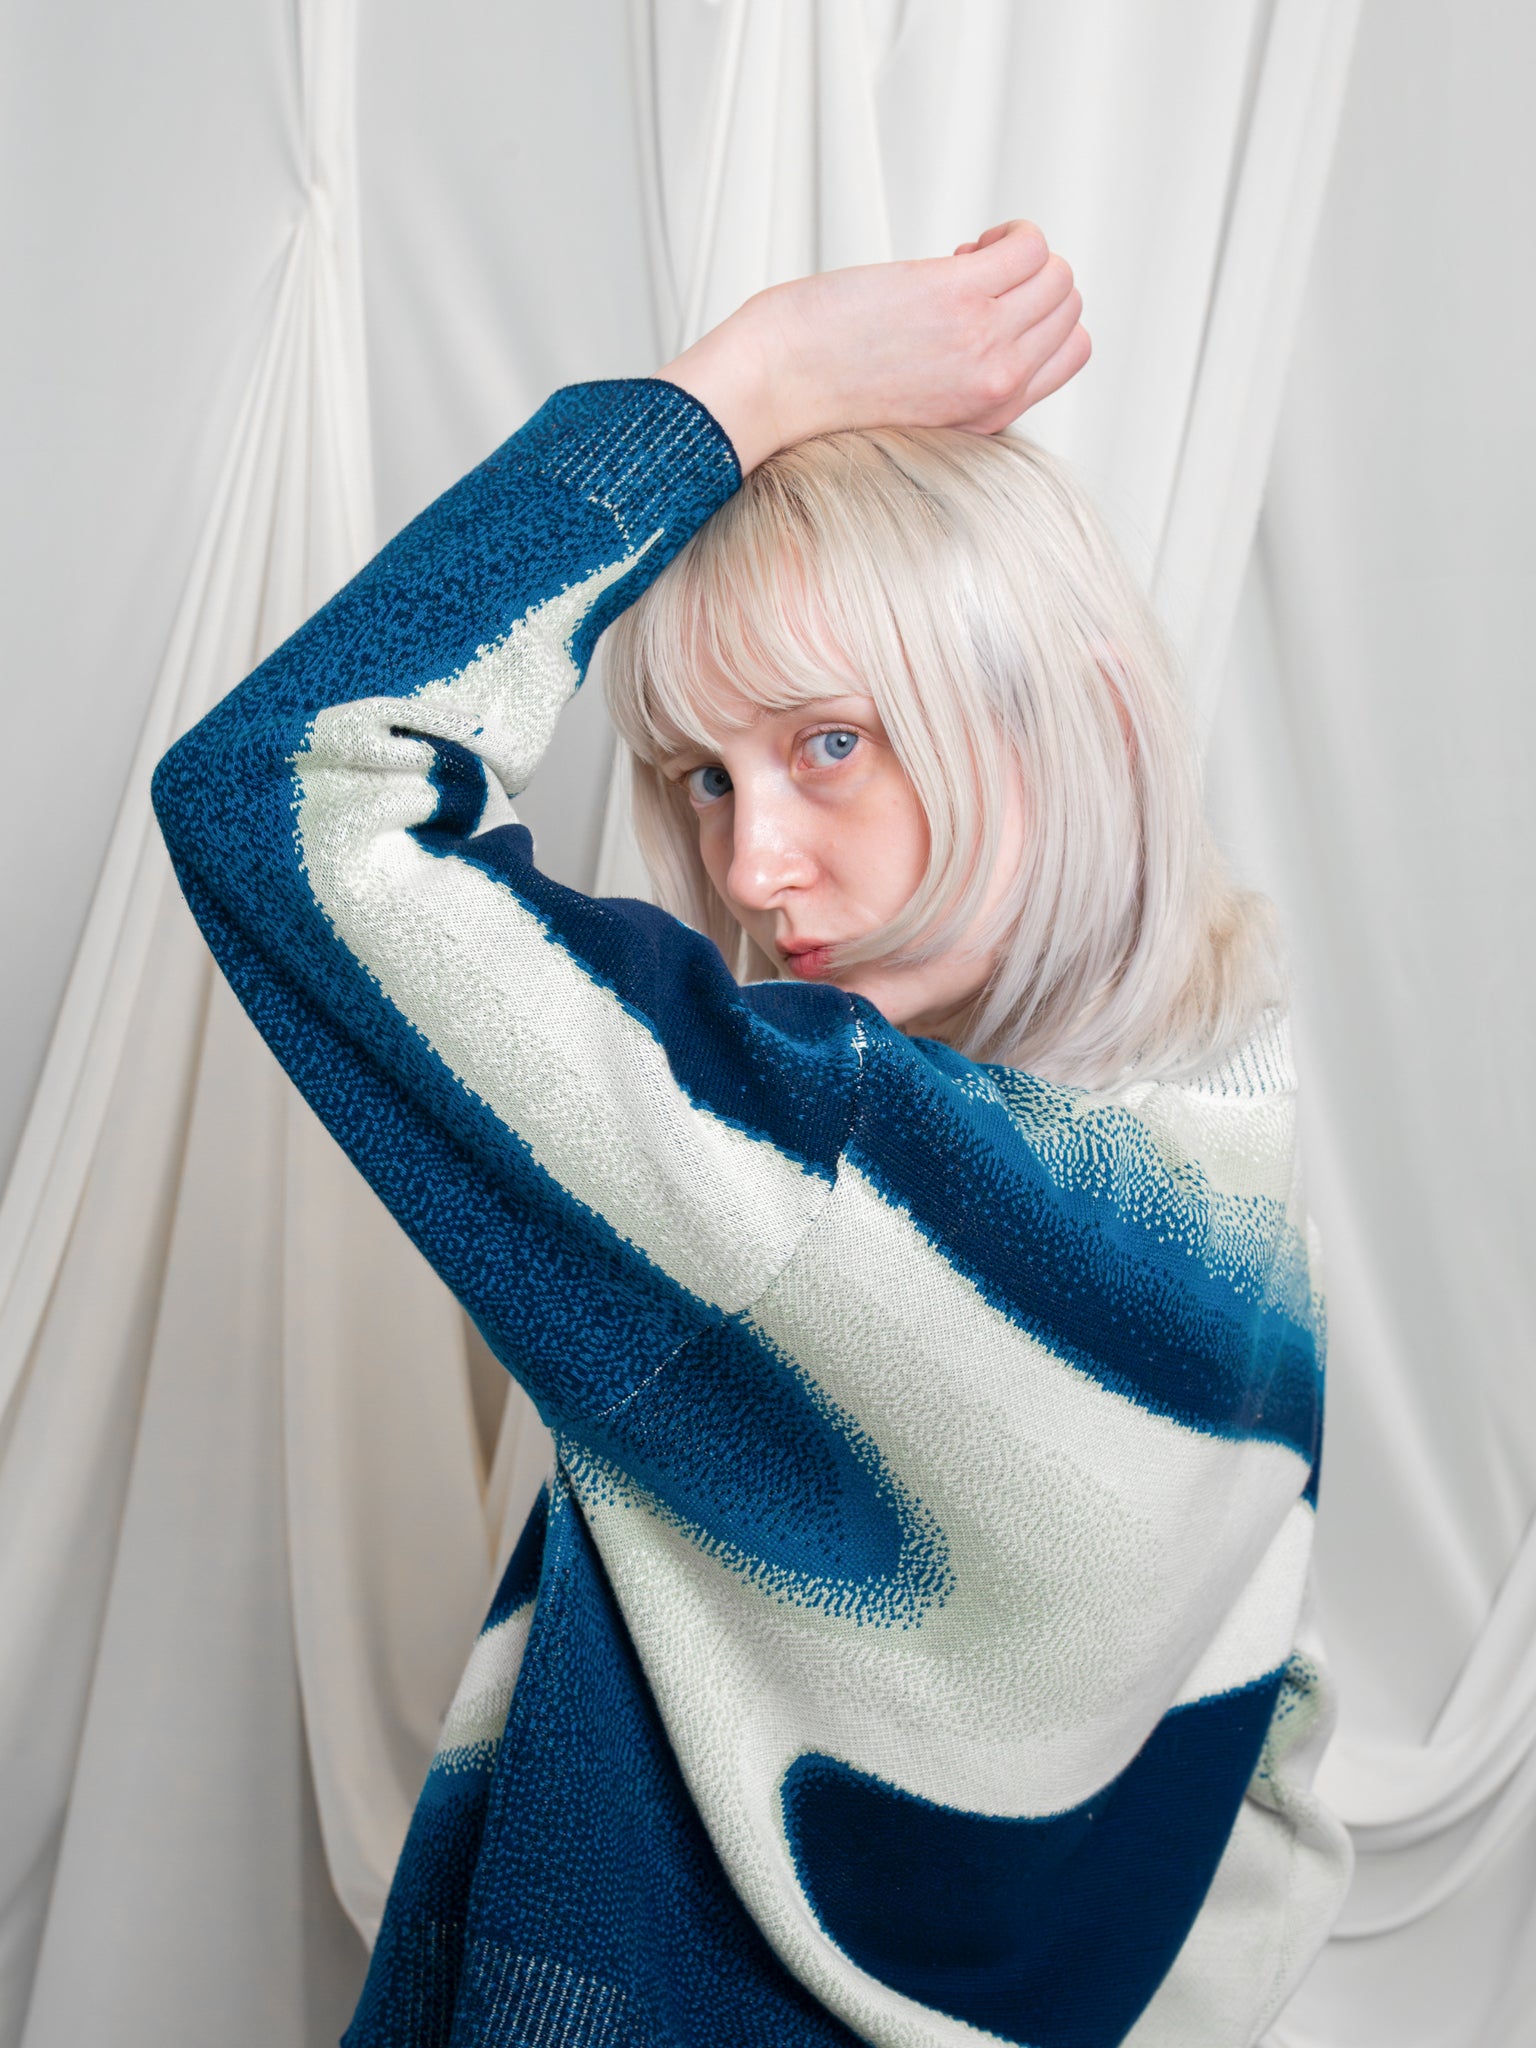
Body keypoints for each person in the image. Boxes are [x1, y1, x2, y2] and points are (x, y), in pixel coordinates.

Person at [151, 221, 1352, 2048]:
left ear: (1070, 711)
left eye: (832, 745)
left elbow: (284, 788)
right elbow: (1261, 1778)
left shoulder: (826, 1165)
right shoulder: (1229, 1185)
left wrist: (750, 381)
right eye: (707, 776)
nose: (746, 865)